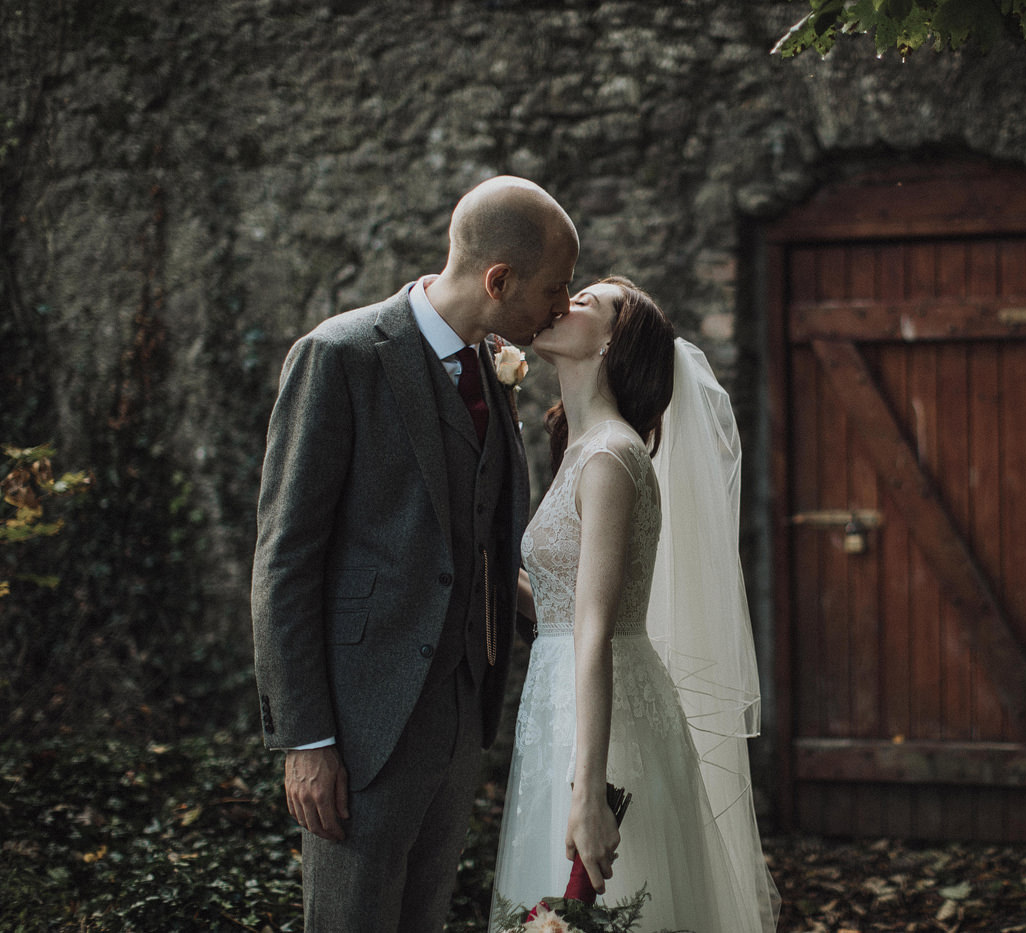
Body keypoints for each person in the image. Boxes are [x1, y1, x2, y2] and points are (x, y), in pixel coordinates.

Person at [250, 175, 578, 932]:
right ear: (499, 280)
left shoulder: (490, 371)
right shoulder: (338, 356)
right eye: (554, 289)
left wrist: (578, 622)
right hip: (361, 727)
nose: (561, 307)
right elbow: (285, 559)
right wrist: (306, 740)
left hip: (461, 715)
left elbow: (478, 547)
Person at [489, 277, 779, 932]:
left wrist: (589, 792)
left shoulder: (611, 456)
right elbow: (566, 610)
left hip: (606, 725)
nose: (564, 303)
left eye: (587, 301)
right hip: (566, 707)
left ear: (616, 343)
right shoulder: (583, 450)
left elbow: (594, 632)